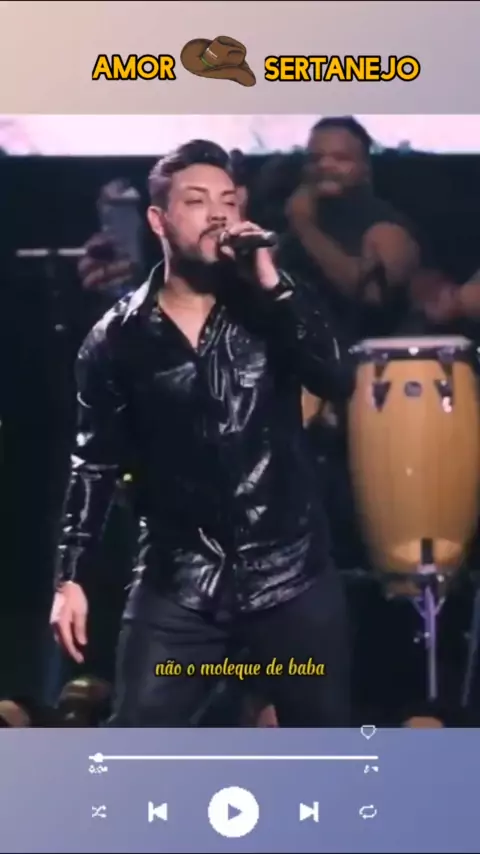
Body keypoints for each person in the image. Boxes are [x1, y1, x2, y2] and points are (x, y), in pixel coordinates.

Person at [50, 139, 355, 728]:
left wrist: (273, 282)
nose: (217, 214)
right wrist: (72, 577)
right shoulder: (118, 339)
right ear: (158, 220)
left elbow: (337, 377)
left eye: (228, 201)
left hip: (289, 574)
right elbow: (94, 462)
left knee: (324, 747)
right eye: (196, 201)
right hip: (181, 583)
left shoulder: (273, 306)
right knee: (136, 743)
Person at [282, 116, 422, 344]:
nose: (325, 166)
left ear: (365, 167)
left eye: (341, 158)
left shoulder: (386, 225)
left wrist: (306, 229)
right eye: (315, 158)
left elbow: (370, 299)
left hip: (368, 355)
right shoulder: (292, 220)